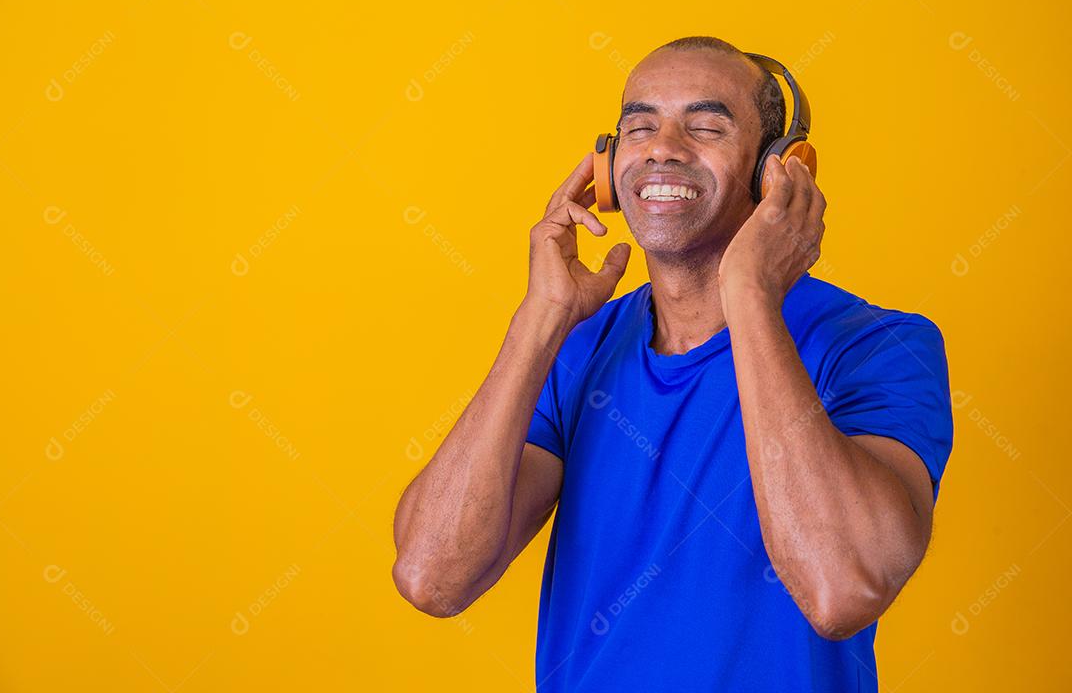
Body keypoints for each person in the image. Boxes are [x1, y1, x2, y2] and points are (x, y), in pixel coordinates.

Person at [391, 36, 954, 692]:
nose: (663, 147)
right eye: (640, 126)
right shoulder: (575, 347)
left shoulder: (877, 346)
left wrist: (750, 295)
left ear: (777, 170)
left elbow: (842, 590)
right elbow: (433, 575)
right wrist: (540, 317)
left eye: (707, 126)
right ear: (605, 168)